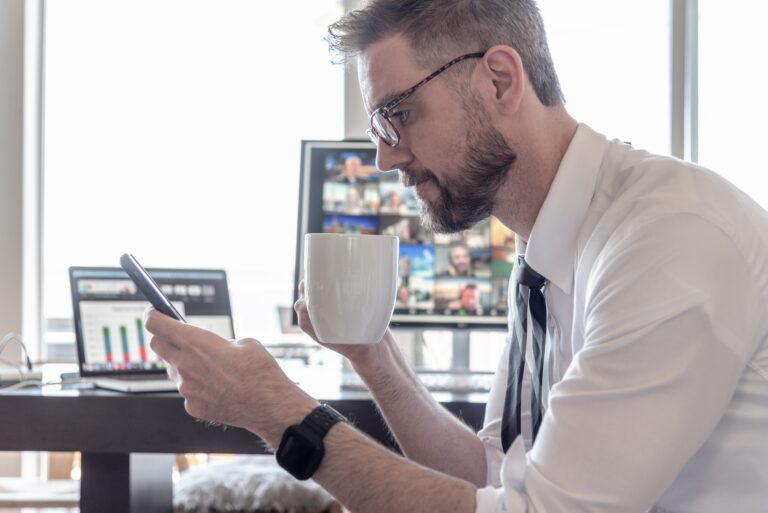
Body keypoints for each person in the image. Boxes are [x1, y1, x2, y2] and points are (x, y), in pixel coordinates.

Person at [146, 1, 768, 512]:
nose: (387, 157)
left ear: (499, 79)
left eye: (398, 115)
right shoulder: (545, 245)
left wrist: (284, 416)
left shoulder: (665, 240)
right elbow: (489, 473)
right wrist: (374, 356)